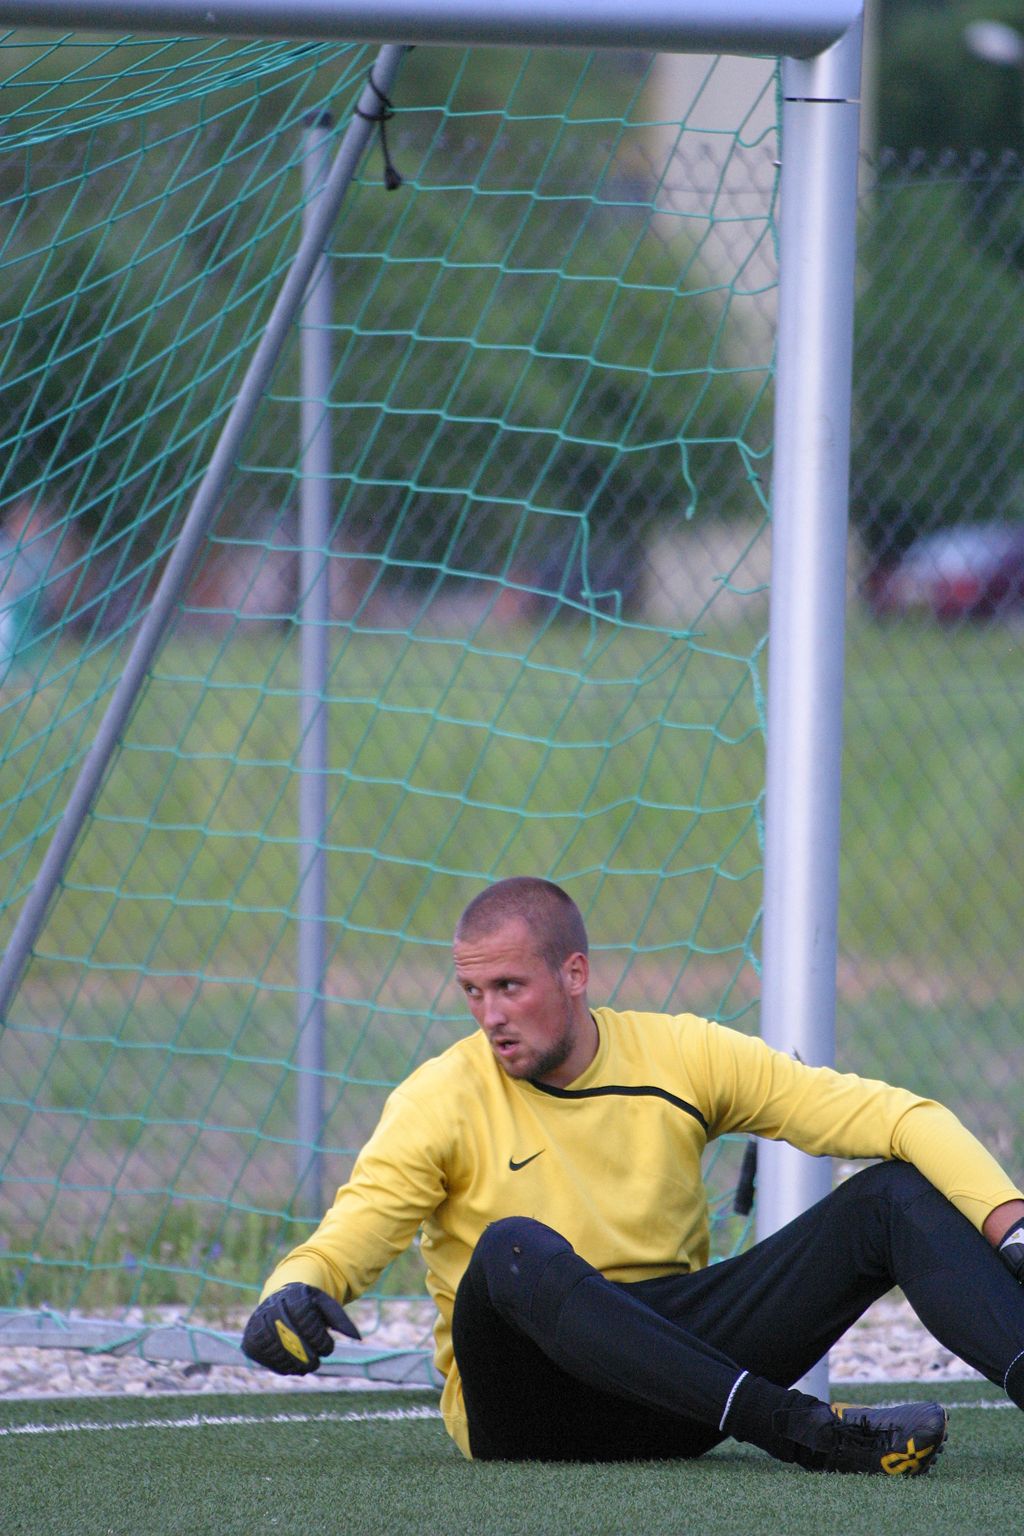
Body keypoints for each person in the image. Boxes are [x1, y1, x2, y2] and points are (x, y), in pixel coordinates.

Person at [242, 877, 1024, 1473]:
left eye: (509, 987)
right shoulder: (438, 1098)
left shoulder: (680, 1054)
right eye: (473, 993)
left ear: (575, 974)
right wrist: (294, 1288)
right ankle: (802, 1430)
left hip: (677, 1392)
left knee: (893, 1197)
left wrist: (1011, 1224)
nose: (490, 1016)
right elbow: (354, 1228)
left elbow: (898, 1116)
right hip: (528, 1412)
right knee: (512, 1249)